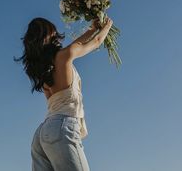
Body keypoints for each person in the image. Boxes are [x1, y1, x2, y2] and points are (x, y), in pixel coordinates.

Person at [14, 16, 113, 171]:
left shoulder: (44, 71)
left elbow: (78, 43)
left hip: (43, 134)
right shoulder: (64, 57)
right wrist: (107, 26)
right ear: (51, 35)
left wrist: (92, 29)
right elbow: (97, 41)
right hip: (63, 127)